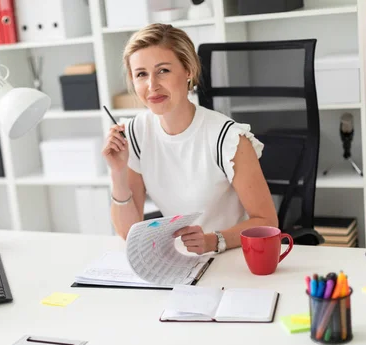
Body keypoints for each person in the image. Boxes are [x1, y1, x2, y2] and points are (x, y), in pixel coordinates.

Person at [102, 23, 278, 255]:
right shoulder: (135, 133)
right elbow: (128, 232)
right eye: (141, 74)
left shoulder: (227, 138)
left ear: (188, 71)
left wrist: (212, 241)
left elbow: (266, 221)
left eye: (163, 70)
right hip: (179, 259)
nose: (152, 85)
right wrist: (118, 172)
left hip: (231, 255)